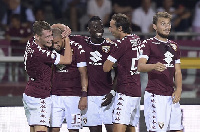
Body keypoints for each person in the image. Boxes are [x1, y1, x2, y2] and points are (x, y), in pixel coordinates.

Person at [22, 21, 72, 132]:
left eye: (51, 35)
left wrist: (62, 27)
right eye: (47, 37)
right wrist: (66, 38)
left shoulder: (31, 42)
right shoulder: (42, 54)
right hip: (40, 97)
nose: (51, 39)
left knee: (33, 128)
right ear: (38, 37)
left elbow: (51, 28)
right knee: (41, 129)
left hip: (29, 93)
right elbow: (67, 59)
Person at [138, 12, 183, 132]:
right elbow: (140, 66)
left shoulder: (174, 46)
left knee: (178, 129)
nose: (167, 27)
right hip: (155, 95)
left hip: (171, 95)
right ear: (154, 26)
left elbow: (177, 71)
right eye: (163, 24)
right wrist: (153, 66)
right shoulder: (148, 43)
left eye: (168, 24)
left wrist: (178, 90)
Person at [70, 16, 115, 132]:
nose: (98, 29)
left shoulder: (111, 46)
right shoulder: (81, 41)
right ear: (88, 29)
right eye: (94, 27)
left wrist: (112, 92)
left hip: (107, 95)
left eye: (100, 26)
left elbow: (119, 73)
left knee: (112, 129)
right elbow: (62, 35)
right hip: (89, 97)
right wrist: (64, 28)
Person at [103, 13, 141, 132]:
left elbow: (106, 68)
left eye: (112, 26)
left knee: (118, 126)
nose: (110, 29)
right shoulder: (136, 38)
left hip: (125, 91)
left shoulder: (120, 44)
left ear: (120, 28)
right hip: (136, 90)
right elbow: (127, 53)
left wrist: (111, 50)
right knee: (130, 126)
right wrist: (115, 46)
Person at [49, 28, 88, 132]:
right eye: (52, 43)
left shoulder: (77, 48)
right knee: (53, 129)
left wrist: (84, 95)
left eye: (57, 42)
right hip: (55, 96)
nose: (54, 46)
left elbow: (83, 73)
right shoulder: (50, 50)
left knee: (74, 129)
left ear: (63, 38)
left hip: (74, 96)